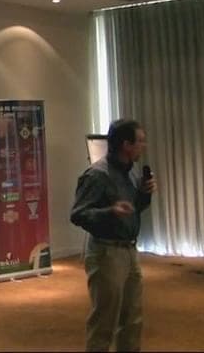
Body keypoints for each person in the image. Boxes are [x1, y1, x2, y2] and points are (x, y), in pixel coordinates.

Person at [70, 118, 158, 352]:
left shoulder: (130, 172)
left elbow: (133, 209)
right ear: (126, 145)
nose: (144, 146)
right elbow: (78, 214)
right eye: (140, 141)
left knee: (132, 319)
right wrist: (110, 211)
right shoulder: (97, 175)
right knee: (104, 321)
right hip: (106, 253)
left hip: (129, 251)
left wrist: (144, 194)